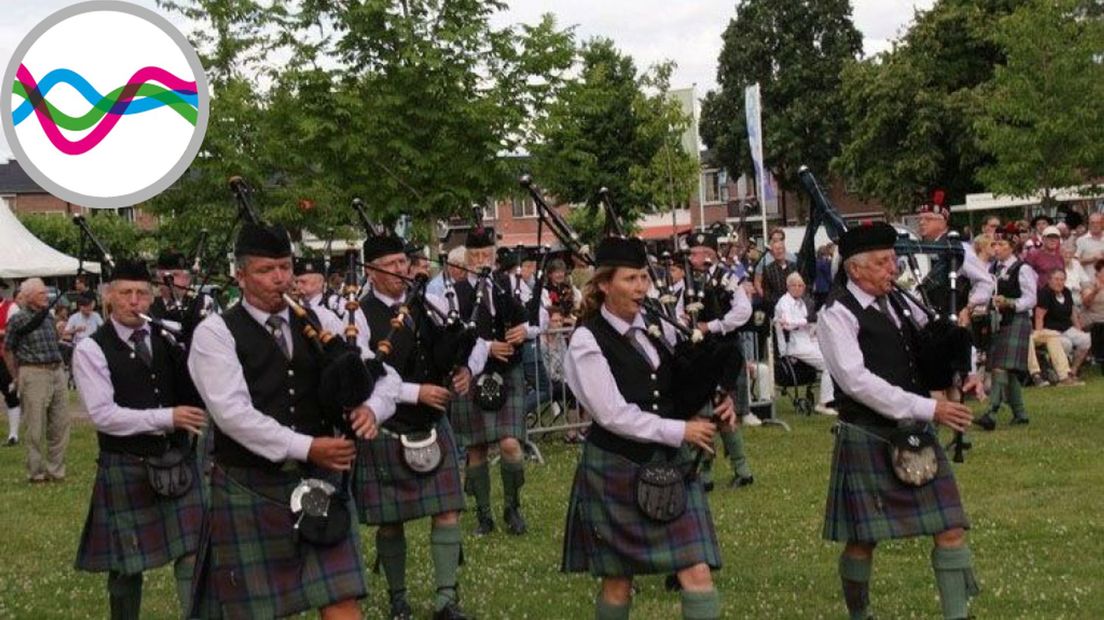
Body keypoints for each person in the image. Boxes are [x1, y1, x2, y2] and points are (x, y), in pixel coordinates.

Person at [187, 222, 400, 618]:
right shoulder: (215, 333)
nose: (280, 278)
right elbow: (232, 414)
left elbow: (384, 375)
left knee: (341, 598)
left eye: (285, 267)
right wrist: (310, 447)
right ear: (240, 275)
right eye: (266, 270)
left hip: (317, 484)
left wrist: (372, 408)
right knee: (258, 609)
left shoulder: (322, 323)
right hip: (250, 486)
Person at [562, 235, 733, 620]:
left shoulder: (657, 324)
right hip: (617, 464)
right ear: (604, 284)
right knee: (618, 580)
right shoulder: (587, 340)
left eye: (644, 278)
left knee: (696, 569)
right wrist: (679, 431)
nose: (641, 288)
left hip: (668, 463)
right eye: (630, 279)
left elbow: (685, 374)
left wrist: (720, 397)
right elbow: (611, 414)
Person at [818, 222, 980, 620]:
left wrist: (965, 366)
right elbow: (856, 382)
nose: (893, 268)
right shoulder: (837, 314)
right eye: (882, 262)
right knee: (863, 539)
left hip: (914, 432)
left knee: (950, 526)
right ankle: (860, 614)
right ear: (855, 269)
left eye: (893, 260)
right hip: (869, 433)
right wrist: (930, 408)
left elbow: (937, 340)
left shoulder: (900, 302)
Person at [354, 233, 484, 620]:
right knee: (390, 522)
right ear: (369, 271)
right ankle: (398, 599)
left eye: (403, 262)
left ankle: (446, 599)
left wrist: (465, 371)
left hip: (432, 421)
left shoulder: (429, 303)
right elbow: (366, 373)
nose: (401, 270)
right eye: (391, 264)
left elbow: (469, 343)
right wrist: (417, 392)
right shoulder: (357, 315)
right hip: (388, 427)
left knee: (447, 510)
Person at [71, 260, 207, 619]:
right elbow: (103, 415)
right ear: (109, 298)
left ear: (152, 297)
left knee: (193, 553)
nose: (135, 302)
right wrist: (168, 417)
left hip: (177, 460)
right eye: (125, 294)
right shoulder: (91, 349)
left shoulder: (167, 336)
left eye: (142, 294)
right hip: (126, 464)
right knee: (127, 566)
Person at [449, 225, 533, 536]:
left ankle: (513, 508)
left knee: (511, 444)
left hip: (507, 371)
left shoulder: (507, 285)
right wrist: (485, 346)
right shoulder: (455, 292)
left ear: (494, 256)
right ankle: (484, 515)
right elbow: (453, 337)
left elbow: (534, 319)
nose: (482, 259)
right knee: (477, 449)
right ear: (467, 258)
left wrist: (525, 331)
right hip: (473, 375)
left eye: (487, 254)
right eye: (476, 255)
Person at [680, 231, 755, 490]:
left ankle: (742, 469)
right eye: (691, 253)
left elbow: (744, 312)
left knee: (723, 409)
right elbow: (679, 313)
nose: (691, 258)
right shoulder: (685, 283)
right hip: (699, 354)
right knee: (702, 410)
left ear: (709, 255)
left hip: (725, 352)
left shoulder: (727, 278)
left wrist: (711, 326)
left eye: (696, 253)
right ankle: (706, 473)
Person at [3, 278, 70, 482]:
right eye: (41, 293)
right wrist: (16, 375)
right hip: (33, 372)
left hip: (56, 371)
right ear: (30, 296)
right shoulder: (18, 319)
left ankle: (56, 470)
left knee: (60, 423)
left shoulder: (48, 317)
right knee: (35, 425)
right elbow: (8, 349)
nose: (45, 297)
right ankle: (36, 472)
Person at [977, 234, 1036, 430]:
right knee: (1007, 370)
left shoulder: (1023, 268)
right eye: (994, 244)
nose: (996, 248)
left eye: (1001, 244)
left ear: (1012, 247)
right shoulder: (993, 269)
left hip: (1017, 319)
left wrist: (1010, 302)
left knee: (1000, 366)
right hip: (998, 321)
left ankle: (991, 412)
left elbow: (1031, 299)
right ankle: (1021, 414)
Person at [775, 272, 835, 415]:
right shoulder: (783, 303)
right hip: (792, 345)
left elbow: (805, 323)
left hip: (807, 341)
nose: (798, 288)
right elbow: (787, 324)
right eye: (794, 285)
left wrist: (812, 324)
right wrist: (807, 321)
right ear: (788, 286)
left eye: (800, 285)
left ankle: (834, 399)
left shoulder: (801, 303)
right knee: (828, 364)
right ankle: (824, 404)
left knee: (835, 357)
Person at [1031, 269, 1091, 384]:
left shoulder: (1067, 292)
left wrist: (1079, 329)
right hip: (1051, 330)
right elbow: (1039, 316)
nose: (1059, 282)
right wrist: (1040, 334)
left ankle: (1073, 370)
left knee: (1086, 339)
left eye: (1062, 280)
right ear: (1049, 280)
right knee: (1066, 344)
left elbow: (1072, 313)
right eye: (1056, 279)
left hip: (1067, 328)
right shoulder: (1045, 293)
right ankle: (1061, 373)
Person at [0, 280, 22, 446]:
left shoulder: (11, 307)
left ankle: (13, 434)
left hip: (4, 357)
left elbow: (15, 332)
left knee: (10, 394)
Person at [756, 240, 796, 319]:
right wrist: (778, 304)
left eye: (781, 249)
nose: (779, 251)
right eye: (776, 249)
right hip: (776, 307)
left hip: (794, 306)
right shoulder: (768, 269)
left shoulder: (794, 267)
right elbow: (767, 292)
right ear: (772, 253)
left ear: (784, 250)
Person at [1076, 212, 1104, 279]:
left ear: (1103, 223)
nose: (1095, 225)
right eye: (1092, 222)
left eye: (1098, 222)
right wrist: (1093, 258)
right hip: (1088, 282)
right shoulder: (1081, 240)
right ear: (1088, 224)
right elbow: (1075, 263)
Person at [813, 243, 835, 311]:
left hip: (817, 286)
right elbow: (828, 275)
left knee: (818, 302)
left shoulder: (816, 262)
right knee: (823, 303)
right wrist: (832, 282)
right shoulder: (825, 263)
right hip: (824, 287)